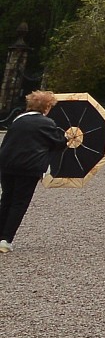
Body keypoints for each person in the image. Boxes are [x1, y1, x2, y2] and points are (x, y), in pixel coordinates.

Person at [0, 90, 69, 252]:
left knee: (6, 200)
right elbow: (59, 142)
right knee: (19, 203)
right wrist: (65, 136)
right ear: (47, 107)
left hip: (7, 164)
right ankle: (5, 239)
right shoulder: (46, 123)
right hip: (29, 167)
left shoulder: (18, 120)